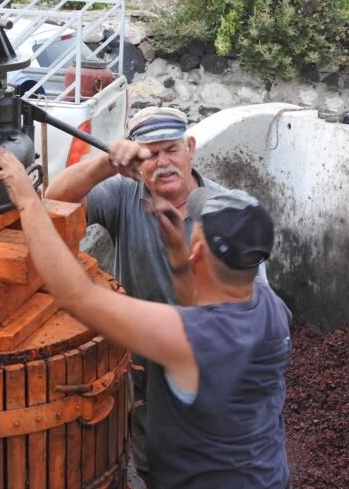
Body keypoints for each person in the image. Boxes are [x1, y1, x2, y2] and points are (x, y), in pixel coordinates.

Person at [0, 141, 293, 488]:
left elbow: (76, 294)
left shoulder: (194, 337)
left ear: (199, 252)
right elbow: (199, 305)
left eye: (195, 224)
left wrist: (26, 199)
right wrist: (176, 252)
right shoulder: (268, 306)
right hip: (266, 475)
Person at [44, 106, 228, 481]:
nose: (163, 163)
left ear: (190, 147)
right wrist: (106, 163)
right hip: (145, 368)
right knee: (154, 460)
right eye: (150, 154)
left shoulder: (227, 211)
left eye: (172, 150)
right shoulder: (125, 196)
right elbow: (55, 200)